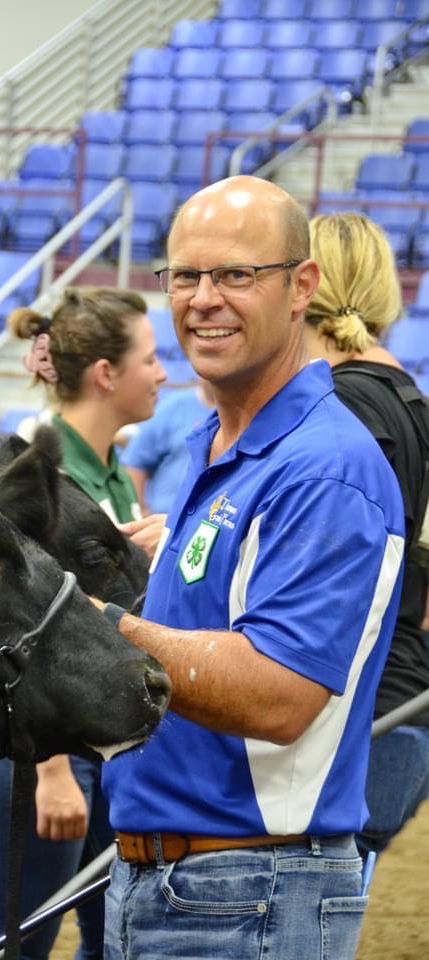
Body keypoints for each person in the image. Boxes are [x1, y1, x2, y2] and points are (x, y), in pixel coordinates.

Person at [96, 176, 406, 960]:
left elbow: (278, 694)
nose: (204, 298)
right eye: (186, 276)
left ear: (303, 286)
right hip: (179, 882)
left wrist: (96, 631)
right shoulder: (221, 446)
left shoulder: (324, 467)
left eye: (237, 274)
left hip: (249, 893)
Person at [0, 286, 167, 959]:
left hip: (94, 742)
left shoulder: (108, 475)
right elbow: (7, 623)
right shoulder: (33, 473)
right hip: (42, 751)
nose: (163, 372)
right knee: (19, 943)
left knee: (112, 937)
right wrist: (49, 771)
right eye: (150, 358)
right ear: (107, 374)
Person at [304, 211, 429, 861]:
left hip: (343, 718)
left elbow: (320, 587)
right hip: (404, 705)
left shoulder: (335, 407)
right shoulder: (417, 408)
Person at [121, 378, 214, 515]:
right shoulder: (175, 406)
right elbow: (135, 462)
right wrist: (139, 511)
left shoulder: (245, 414)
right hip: (164, 517)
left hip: (212, 521)